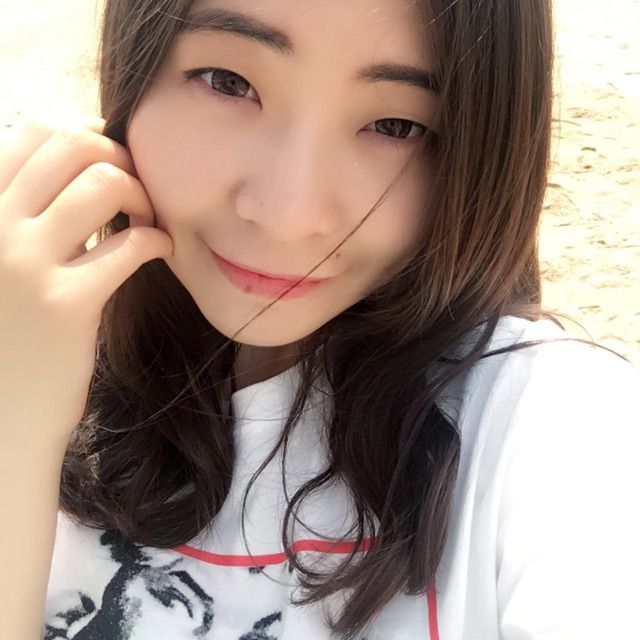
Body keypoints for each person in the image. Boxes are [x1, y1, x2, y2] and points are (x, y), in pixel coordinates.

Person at [0, 0, 638, 638]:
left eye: (395, 125)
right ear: (132, 70)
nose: (289, 216)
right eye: (228, 83)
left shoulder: (560, 428)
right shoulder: (29, 344)